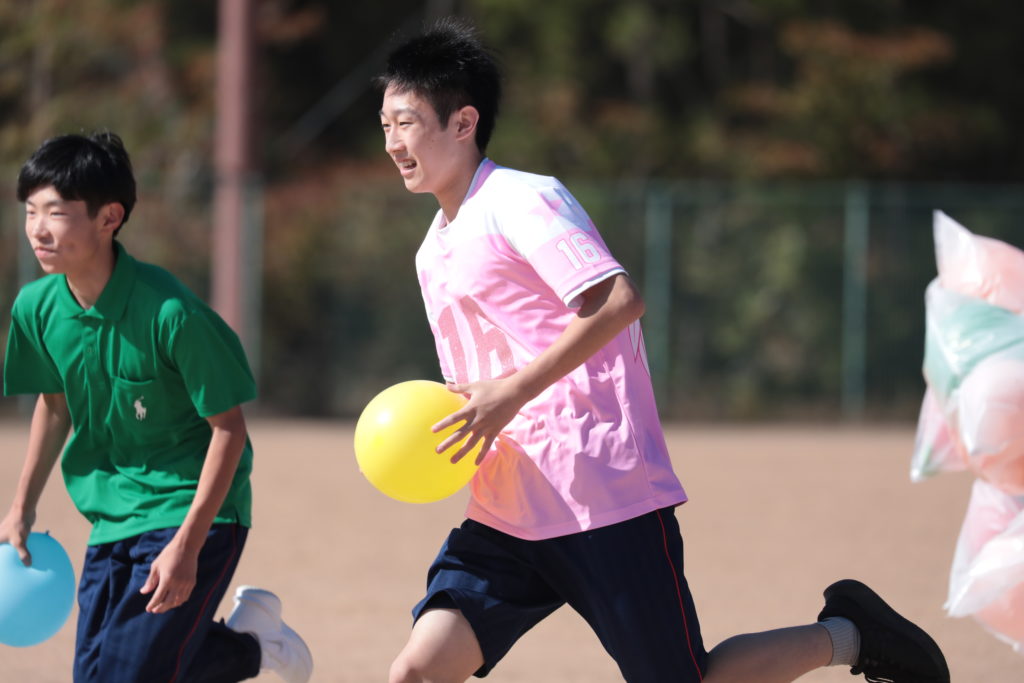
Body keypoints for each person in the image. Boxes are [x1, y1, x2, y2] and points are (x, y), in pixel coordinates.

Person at [376, 18, 950, 683]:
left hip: (599, 491)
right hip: (505, 507)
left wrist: (511, 394)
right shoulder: (431, 248)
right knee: (416, 671)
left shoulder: (522, 199)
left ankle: (852, 635)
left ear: (463, 122)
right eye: (385, 125)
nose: (392, 143)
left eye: (406, 123)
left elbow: (618, 301)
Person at [0, 132, 313, 683]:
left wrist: (188, 545)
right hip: (110, 518)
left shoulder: (172, 314)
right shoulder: (35, 307)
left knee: (132, 676)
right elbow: (55, 405)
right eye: (30, 211)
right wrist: (21, 507)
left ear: (109, 218)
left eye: (56, 212)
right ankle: (252, 645)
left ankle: (245, 648)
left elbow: (229, 430)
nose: (38, 229)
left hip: (193, 511)